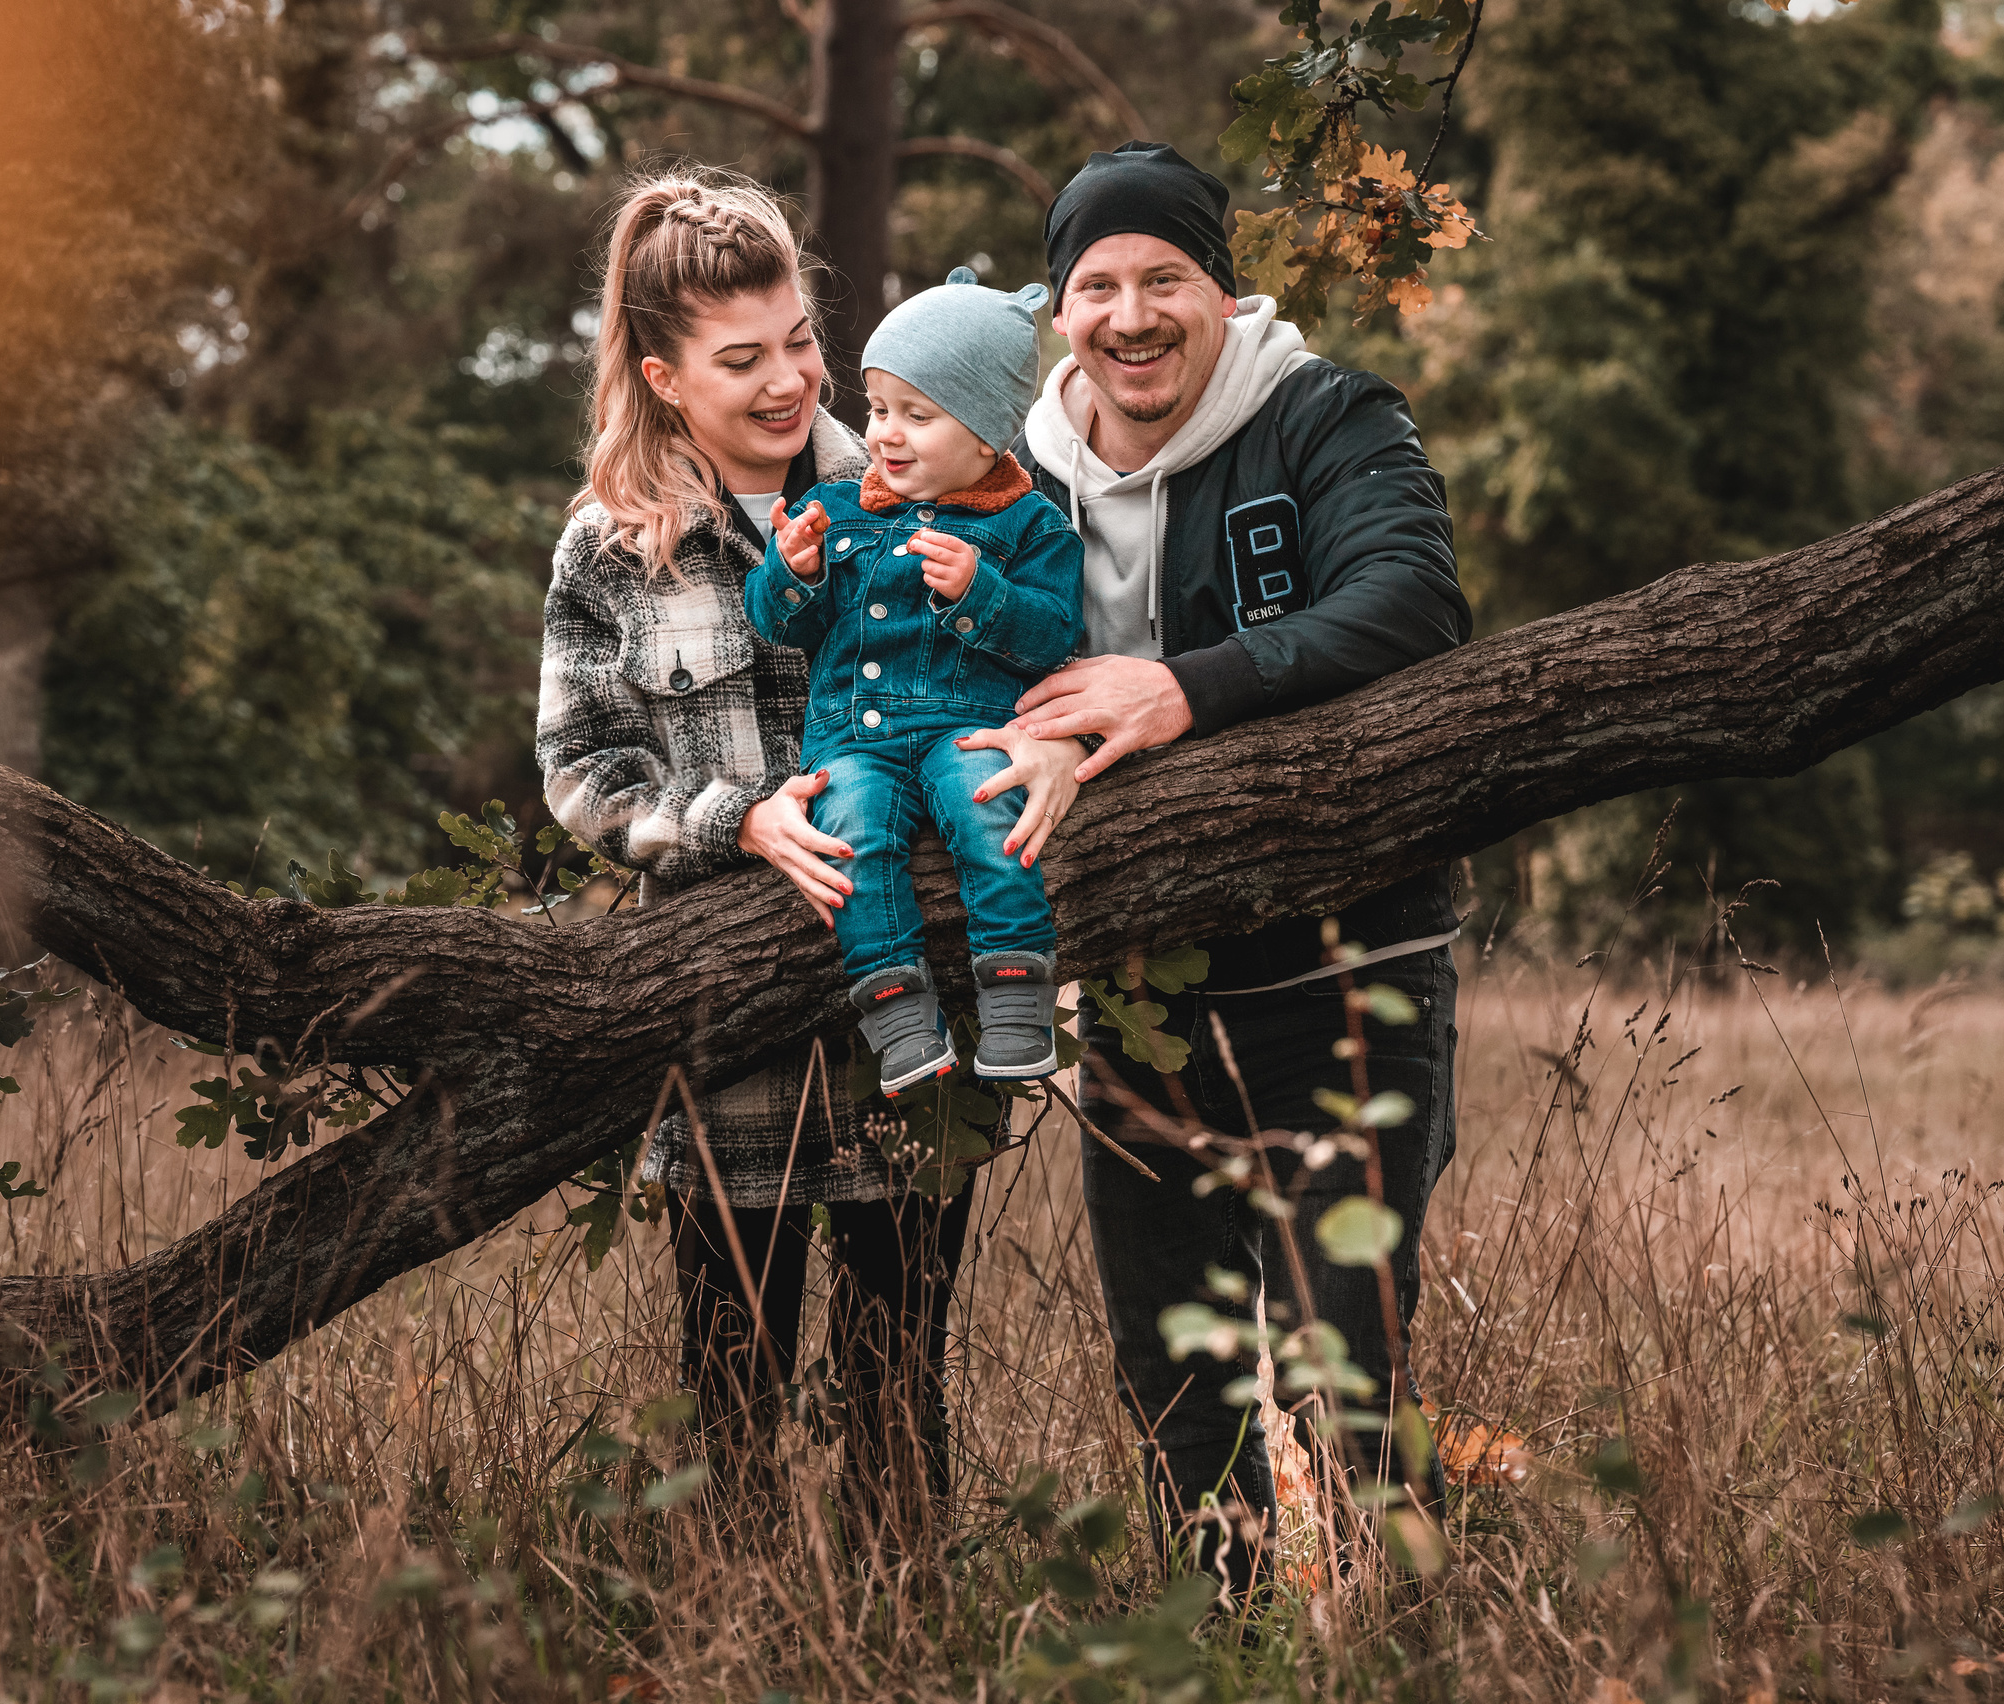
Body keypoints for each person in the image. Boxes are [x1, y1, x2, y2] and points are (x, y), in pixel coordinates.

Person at [535, 169, 1086, 1536]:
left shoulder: (924, 469)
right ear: (663, 375)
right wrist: (735, 815)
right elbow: (581, 769)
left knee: (901, 1372)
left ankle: (905, 1638)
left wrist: (1060, 740)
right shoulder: (614, 548)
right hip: (723, 1028)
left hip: (910, 1024)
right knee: (732, 1376)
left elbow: (1043, 663)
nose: (790, 382)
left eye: (800, 342)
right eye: (742, 360)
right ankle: (746, 1641)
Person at [1006, 142, 1475, 1592]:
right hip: (1140, 1001)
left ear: (1222, 289)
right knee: (1175, 1379)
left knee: (1348, 1369)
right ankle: (1228, 1643)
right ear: (1060, 306)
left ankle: (1397, 1650)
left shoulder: (1329, 419)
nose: (1132, 316)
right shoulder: (1019, 474)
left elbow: (1411, 603)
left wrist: (1183, 689)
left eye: (1166, 279)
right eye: (1098, 286)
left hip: (1346, 973)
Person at [747, 267, 1085, 1095]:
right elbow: (781, 624)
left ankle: (1014, 995)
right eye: (878, 408)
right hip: (852, 738)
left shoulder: (1031, 524)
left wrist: (982, 593)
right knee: (851, 839)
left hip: (964, 726)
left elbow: (1055, 635)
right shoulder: (840, 507)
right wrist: (790, 571)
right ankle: (897, 1012)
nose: (887, 435)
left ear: (986, 435)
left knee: (993, 819)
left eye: (917, 416)